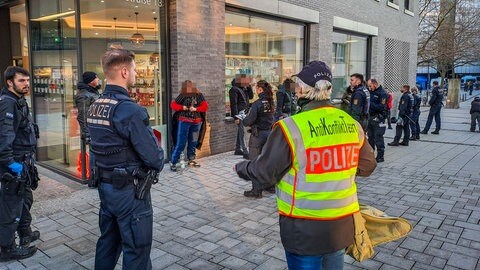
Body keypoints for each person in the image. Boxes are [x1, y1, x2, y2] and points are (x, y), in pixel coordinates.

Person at [235, 61, 376, 270]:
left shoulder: (290, 128)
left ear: (301, 89)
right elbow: (367, 166)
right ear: (328, 89)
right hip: (341, 225)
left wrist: (242, 167)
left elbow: (264, 173)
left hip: (303, 229)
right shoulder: (350, 123)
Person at [87, 48, 164, 270]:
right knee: (137, 249)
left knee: (108, 244)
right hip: (130, 192)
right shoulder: (130, 110)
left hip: (106, 188)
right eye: (133, 69)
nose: (136, 74)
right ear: (123, 71)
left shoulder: (96, 105)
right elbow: (154, 158)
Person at [0, 66, 40, 261]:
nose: (26, 84)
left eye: (27, 80)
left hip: (24, 160)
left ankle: (25, 233)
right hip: (14, 162)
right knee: (11, 206)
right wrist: (9, 163)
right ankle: (7, 248)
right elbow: (4, 136)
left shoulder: (18, 101)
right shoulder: (7, 104)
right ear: (10, 82)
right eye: (21, 81)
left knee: (25, 199)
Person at [242, 80, 275, 198]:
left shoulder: (257, 103)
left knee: (255, 162)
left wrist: (243, 120)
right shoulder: (271, 102)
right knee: (267, 160)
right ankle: (270, 186)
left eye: (257, 88)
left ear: (260, 90)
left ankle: (256, 190)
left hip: (258, 136)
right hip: (269, 134)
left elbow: (249, 120)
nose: (256, 90)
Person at [170, 80, 208, 171]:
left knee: (193, 141)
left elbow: (205, 107)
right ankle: (173, 162)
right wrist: (182, 107)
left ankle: (191, 159)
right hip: (184, 122)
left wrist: (195, 109)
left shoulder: (199, 95)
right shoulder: (182, 95)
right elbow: (173, 105)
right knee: (181, 142)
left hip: (196, 122)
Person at [74, 71, 101, 184]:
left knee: (97, 153)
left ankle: (98, 177)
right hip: (92, 130)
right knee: (94, 154)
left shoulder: (92, 92)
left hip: (98, 128)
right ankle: (93, 180)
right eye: (96, 77)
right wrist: (87, 134)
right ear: (91, 81)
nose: (98, 79)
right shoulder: (84, 95)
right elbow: (82, 117)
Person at [229, 74, 251, 159]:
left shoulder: (243, 89)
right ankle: (245, 151)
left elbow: (251, 96)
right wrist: (236, 117)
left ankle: (238, 149)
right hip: (240, 114)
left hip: (245, 113)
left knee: (240, 131)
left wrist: (248, 87)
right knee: (242, 132)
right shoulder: (233, 89)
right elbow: (233, 104)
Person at [366, 79, 388, 162]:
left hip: (378, 117)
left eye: (370, 86)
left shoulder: (383, 93)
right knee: (370, 137)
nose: (369, 88)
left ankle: (380, 156)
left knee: (378, 137)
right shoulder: (371, 92)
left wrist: (370, 104)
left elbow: (381, 107)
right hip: (370, 117)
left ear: (375, 84)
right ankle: (371, 155)